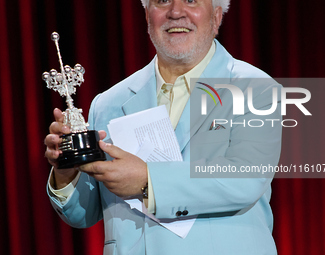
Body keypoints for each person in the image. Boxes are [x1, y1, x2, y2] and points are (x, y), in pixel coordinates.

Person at [45, 0, 282, 254]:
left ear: (216, 17)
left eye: (191, 0)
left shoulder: (255, 88)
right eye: (162, 1)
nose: (176, 12)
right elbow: (83, 214)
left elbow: (244, 180)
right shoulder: (108, 102)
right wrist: (66, 173)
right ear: (147, 16)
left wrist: (148, 181)